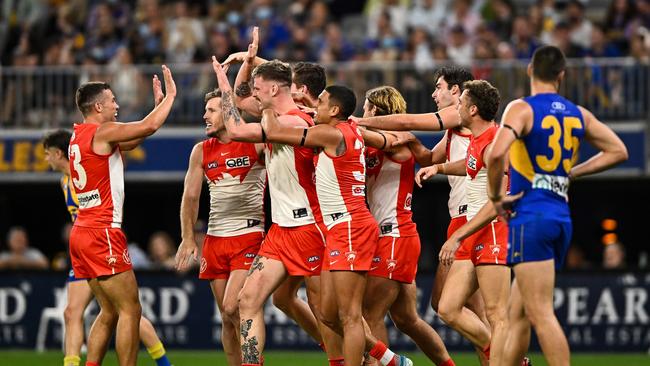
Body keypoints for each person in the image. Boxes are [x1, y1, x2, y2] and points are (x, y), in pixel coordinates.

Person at [486, 45, 628, 366]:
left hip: (530, 216)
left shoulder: (521, 109)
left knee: (540, 312)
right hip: (560, 216)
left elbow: (495, 155)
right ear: (561, 75)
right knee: (518, 312)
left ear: (529, 70)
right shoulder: (578, 113)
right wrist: (573, 172)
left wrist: (496, 198)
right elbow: (618, 151)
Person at [259, 84, 412, 366]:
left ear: (335, 110)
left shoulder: (330, 133)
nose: (316, 105)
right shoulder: (348, 130)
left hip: (351, 226)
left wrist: (267, 104)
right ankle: (390, 360)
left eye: (322, 101)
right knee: (327, 313)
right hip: (338, 229)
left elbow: (273, 131)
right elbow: (391, 142)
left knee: (350, 315)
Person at [354, 67, 489, 365]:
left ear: (456, 91)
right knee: (422, 315)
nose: (433, 93)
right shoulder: (456, 130)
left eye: (438, 87)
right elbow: (429, 157)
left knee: (441, 307)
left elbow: (408, 122)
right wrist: (426, 157)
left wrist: (355, 123)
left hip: (466, 216)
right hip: (459, 216)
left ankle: (507, 356)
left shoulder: (458, 113)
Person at [212, 57, 338, 365]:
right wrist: (245, 64)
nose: (254, 94)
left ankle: (374, 357)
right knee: (247, 300)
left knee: (329, 313)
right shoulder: (275, 113)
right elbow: (241, 100)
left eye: (259, 88)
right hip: (280, 231)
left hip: (309, 227)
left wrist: (223, 83)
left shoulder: (295, 122)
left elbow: (237, 129)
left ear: (273, 89)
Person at [67, 65, 176, 366]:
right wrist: (169, 99)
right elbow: (148, 127)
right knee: (131, 309)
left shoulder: (79, 136)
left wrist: (154, 110)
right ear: (98, 106)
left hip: (82, 232)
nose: (117, 105)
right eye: (113, 100)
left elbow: (132, 138)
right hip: (103, 231)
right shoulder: (103, 131)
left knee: (109, 310)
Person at [42, 129, 173, 366]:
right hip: (85, 248)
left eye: (48, 154)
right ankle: (73, 363)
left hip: (98, 243)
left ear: (59, 153)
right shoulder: (65, 181)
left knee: (123, 310)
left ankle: (164, 363)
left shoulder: (83, 175)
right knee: (81, 311)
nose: (46, 159)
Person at [361, 86, 454, 366]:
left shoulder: (399, 142)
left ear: (375, 110)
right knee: (406, 320)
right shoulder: (378, 143)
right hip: (393, 237)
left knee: (369, 315)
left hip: (394, 236)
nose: (362, 113)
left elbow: (394, 138)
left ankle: (391, 363)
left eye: (365, 108)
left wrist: (348, 124)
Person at [175, 88, 266, 366]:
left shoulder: (256, 141)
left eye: (211, 110)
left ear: (228, 113)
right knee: (226, 318)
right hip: (215, 239)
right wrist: (188, 238)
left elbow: (277, 120)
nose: (205, 116)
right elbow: (190, 196)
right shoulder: (201, 150)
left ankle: (255, 363)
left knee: (233, 306)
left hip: (249, 235)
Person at [431, 80, 511, 366]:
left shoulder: (494, 146)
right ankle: (504, 355)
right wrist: (439, 167)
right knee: (448, 308)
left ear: (473, 109)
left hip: (491, 231)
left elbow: (497, 202)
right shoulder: (480, 139)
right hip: (474, 233)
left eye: (461, 102)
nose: (457, 106)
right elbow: (471, 164)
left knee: (497, 314)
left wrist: (456, 237)